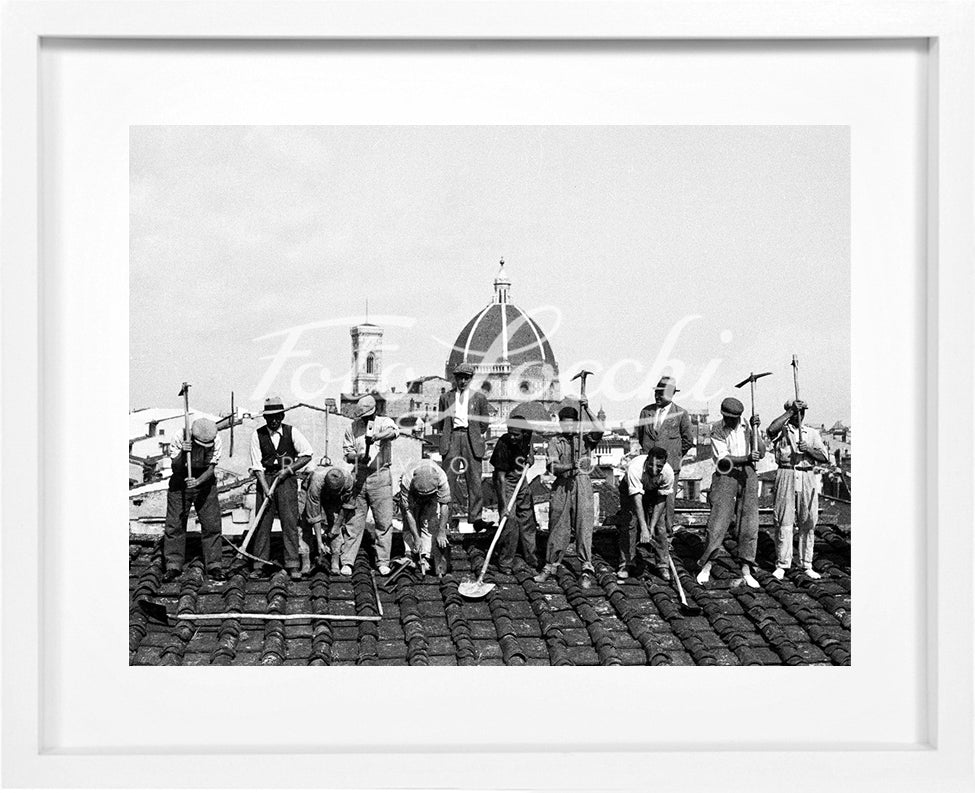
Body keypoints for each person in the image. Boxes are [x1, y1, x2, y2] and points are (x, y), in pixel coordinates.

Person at [696, 396, 765, 589]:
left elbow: (762, 451)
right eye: (726, 416)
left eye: (732, 418)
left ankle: (745, 569)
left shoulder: (749, 427)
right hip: (725, 474)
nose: (729, 420)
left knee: (749, 523)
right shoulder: (717, 429)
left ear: (739, 416)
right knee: (717, 522)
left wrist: (756, 431)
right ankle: (707, 566)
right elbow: (723, 460)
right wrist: (747, 457)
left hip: (748, 475)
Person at [534, 402, 604, 588]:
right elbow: (552, 467)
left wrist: (588, 408)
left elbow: (599, 429)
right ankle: (550, 565)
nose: (568, 427)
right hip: (562, 485)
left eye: (572, 424)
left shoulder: (585, 439)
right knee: (558, 525)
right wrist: (570, 466)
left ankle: (586, 568)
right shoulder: (555, 442)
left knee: (583, 526)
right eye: (564, 424)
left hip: (582, 484)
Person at [249, 396, 314, 579]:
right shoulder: (257, 435)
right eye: (270, 417)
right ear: (265, 418)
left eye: (277, 416)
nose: (274, 420)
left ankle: (292, 564)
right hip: (266, 479)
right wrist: (265, 488)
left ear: (282, 415)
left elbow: (307, 454)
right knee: (262, 522)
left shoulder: (292, 432)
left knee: (290, 521)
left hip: (286, 480)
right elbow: (257, 466)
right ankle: (259, 564)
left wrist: (289, 470)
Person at [766, 399, 830, 580]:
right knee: (784, 520)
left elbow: (824, 457)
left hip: (807, 474)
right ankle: (782, 563)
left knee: (808, 519)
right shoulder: (782, 430)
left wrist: (808, 450)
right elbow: (771, 430)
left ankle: (806, 563)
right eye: (796, 412)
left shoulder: (812, 433)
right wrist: (789, 413)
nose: (799, 415)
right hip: (786, 473)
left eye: (802, 412)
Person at [341, 395, 398, 576]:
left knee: (383, 521)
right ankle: (348, 561)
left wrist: (375, 437)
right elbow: (347, 453)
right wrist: (358, 457)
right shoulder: (352, 427)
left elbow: (393, 432)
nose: (365, 419)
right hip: (359, 475)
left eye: (367, 416)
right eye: (362, 416)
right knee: (354, 521)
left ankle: (382, 561)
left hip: (380, 475)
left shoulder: (384, 422)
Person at [163, 417, 224, 582]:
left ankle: (214, 564)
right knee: (175, 524)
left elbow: (211, 469)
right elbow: (175, 467)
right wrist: (183, 452)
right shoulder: (179, 436)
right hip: (180, 480)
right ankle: (173, 565)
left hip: (204, 482)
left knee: (211, 524)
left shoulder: (216, 438)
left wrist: (197, 482)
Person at [435, 362, 492, 531]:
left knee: (474, 479)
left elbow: (484, 423)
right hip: (452, 437)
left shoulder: (479, 398)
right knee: (448, 479)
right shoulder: (446, 398)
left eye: (466, 378)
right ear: (455, 379)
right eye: (460, 378)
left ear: (471, 379)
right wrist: (448, 435)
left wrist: (474, 433)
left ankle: (476, 518)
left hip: (471, 438)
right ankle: (448, 517)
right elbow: (440, 420)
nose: (463, 381)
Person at [490, 415, 540, 574]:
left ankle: (531, 561)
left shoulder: (528, 434)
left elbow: (529, 445)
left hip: (521, 478)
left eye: (516, 434)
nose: (512, 437)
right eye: (510, 432)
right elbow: (500, 479)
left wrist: (531, 456)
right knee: (509, 519)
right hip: (506, 480)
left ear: (523, 433)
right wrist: (504, 505)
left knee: (527, 519)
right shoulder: (503, 445)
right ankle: (505, 562)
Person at [618, 446, 676, 581]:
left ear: (664, 464)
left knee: (660, 526)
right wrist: (644, 528)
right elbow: (637, 501)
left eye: (659, 466)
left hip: (652, 492)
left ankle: (663, 565)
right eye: (651, 465)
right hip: (630, 491)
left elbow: (661, 500)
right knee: (630, 522)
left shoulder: (668, 473)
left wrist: (651, 526)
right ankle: (626, 563)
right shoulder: (635, 469)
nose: (654, 469)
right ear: (647, 461)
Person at [398, 458, 452, 577]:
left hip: (432, 496)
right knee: (409, 525)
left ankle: (425, 556)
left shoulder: (442, 478)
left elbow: (444, 506)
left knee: (430, 521)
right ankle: (410, 553)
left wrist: (442, 532)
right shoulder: (407, 480)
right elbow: (409, 512)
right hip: (412, 494)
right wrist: (416, 537)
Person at [301, 461, 354, 575]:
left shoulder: (349, 480)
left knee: (335, 521)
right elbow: (314, 515)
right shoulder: (316, 482)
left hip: (334, 498)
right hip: (310, 492)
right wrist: (320, 542)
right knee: (304, 522)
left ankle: (335, 558)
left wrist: (336, 526)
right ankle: (305, 559)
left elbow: (346, 506)